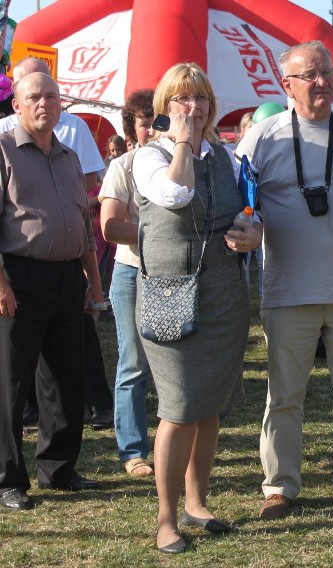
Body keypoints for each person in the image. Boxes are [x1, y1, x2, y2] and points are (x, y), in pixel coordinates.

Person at [235, 40, 333, 519]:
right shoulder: (262, 140)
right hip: (287, 292)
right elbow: (243, 208)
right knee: (284, 394)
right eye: (309, 75)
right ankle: (279, 486)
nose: (321, 81)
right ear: (287, 85)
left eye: (326, 72)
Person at [132, 63, 261, 553]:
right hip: (169, 297)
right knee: (181, 406)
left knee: (210, 407)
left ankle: (197, 502)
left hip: (224, 295)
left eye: (201, 98)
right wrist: (183, 142)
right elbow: (175, 192)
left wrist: (255, 232)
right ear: (166, 108)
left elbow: (249, 209)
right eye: (183, 100)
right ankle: (166, 520)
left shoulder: (225, 156)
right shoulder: (149, 157)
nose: (194, 108)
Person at [0, 72, 104, 510]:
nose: (45, 103)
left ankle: (58, 468)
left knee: (66, 378)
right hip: (18, 277)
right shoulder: (3, 151)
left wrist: (93, 282)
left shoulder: (68, 157)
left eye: (52, 96)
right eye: (34, 97)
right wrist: (1, 284)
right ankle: (8, 479)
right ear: (17, 106)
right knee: (10, 382)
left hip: (67, 278)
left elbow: (83, 224)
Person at [98, 88, 156, 477]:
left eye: (159, 121)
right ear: (132, 130)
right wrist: (158, 235)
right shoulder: (124, 166)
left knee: (175, 365)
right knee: (133, 363)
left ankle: (176, 442)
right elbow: (109, 226)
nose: (153, 130)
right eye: (146, 123)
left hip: (176, 274)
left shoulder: (183, 164)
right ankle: (132, 451)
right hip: (132, 272)